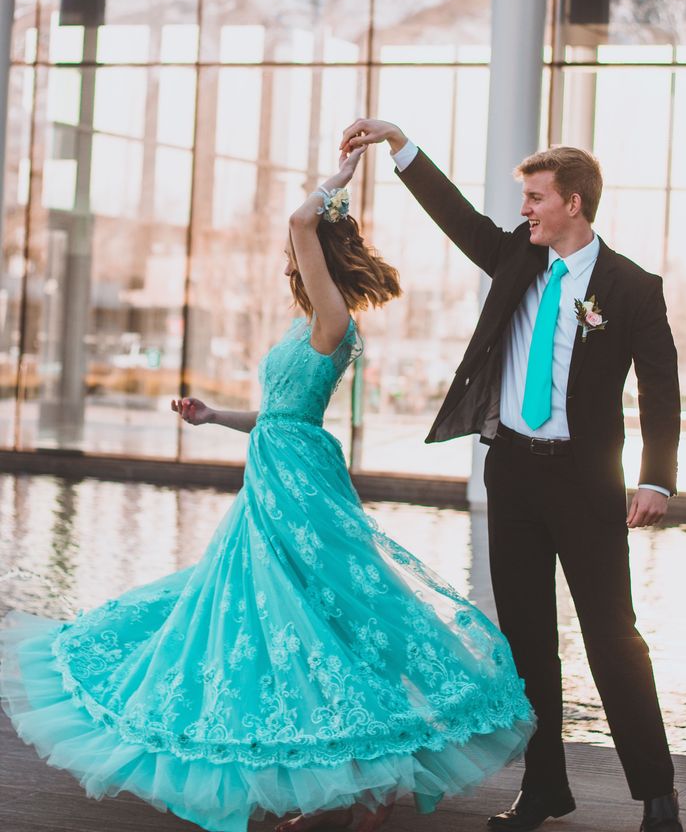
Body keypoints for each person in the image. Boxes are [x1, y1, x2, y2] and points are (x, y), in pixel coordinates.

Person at [0, 146, 536, 832]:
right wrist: (214, 415)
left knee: (313, 618)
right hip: (275, 466)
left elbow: (300, 223)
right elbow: (282, 412)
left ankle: (368, 783)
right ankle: (342, 782)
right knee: (273, 620)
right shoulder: (304, 324)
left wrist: (332, 185)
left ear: (318, 254)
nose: (288, 260)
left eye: (296, 251)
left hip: (299, 482)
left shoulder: (332, 321)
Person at [339, 119, 683, 832]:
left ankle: (657, 794)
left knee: (612, 635)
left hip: (587, 482)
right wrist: (401, 145)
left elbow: (661, 388)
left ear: (574, 204)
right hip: (515, 476)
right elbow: (457, 217)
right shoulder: (516, 259)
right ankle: (545, 788)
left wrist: (656, 478)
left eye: (535, 197)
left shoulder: (632, 288)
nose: (524, 209)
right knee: (526, 636)